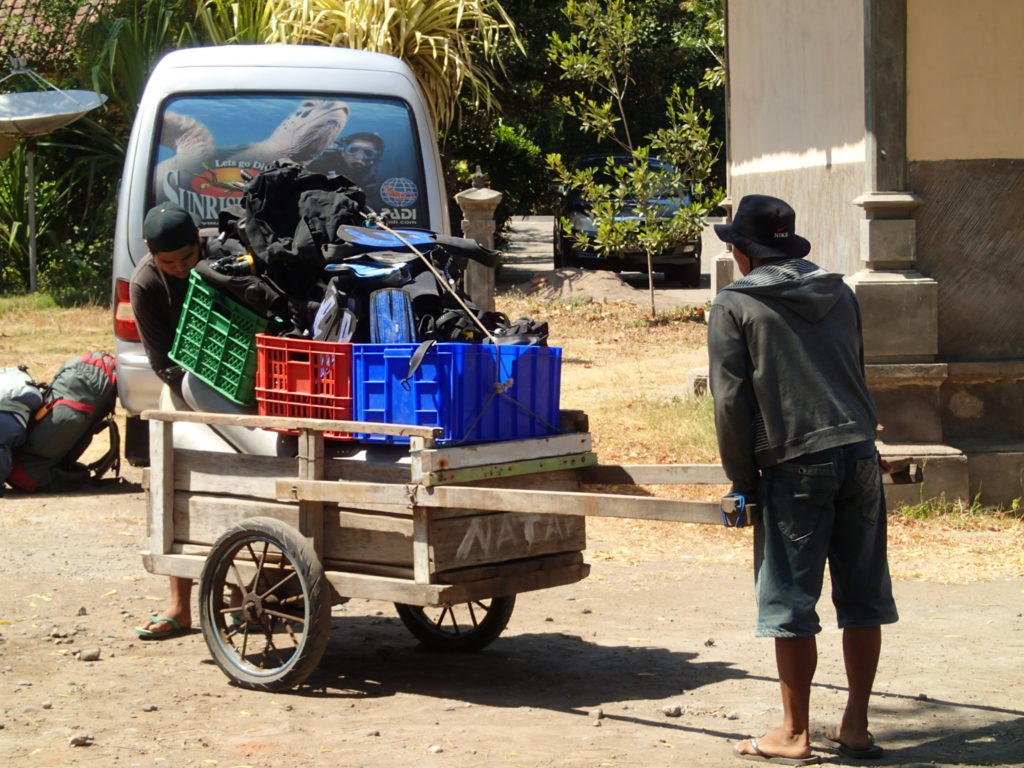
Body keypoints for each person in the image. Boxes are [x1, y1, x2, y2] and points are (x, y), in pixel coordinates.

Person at [707, 194, 898, 765]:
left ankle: (793, 732)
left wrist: (743, 480)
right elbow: (854, 370)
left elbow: (731, 402)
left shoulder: (734, 305)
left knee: (790, 600)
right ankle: (856, 727)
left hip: (795, 462)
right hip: (860, 453)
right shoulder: (840, 291)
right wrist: (866, 442)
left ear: (741, 253)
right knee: (863, 595)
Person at [130, 203, 201, 640]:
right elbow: (161, 362)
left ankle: (238, 598)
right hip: (181, 386)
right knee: (177, 486)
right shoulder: (145, 284)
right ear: (150, 253)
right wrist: (197, 393)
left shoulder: (223, 255)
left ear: (200, 243)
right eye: (167, 262)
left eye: (187, 258)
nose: (178, 268)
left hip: (241, 388)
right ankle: (180, 606)